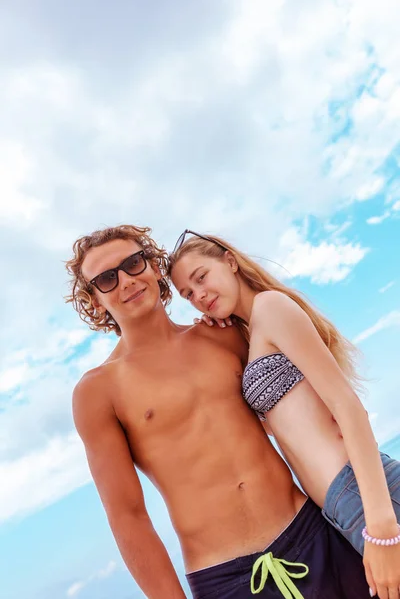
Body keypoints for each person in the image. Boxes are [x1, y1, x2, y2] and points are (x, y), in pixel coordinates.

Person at [66, 224, 371, 599]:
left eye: (133, 263)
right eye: (107, 279)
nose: (126, 280)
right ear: (94, 300)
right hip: (227, 579)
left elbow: (302, 408)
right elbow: (128, 516)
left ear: (155, 267)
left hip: (313, 532)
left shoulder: (222, 335)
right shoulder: (97, 392)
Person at [169, 229, 400, 599]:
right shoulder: (254, 331)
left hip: (363, 490)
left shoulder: (271, 307)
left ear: (229, 261)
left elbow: (347, 407)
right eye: (188, 295)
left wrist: (381, 523)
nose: (199, 295)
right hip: (340, 505)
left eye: (201, 277)